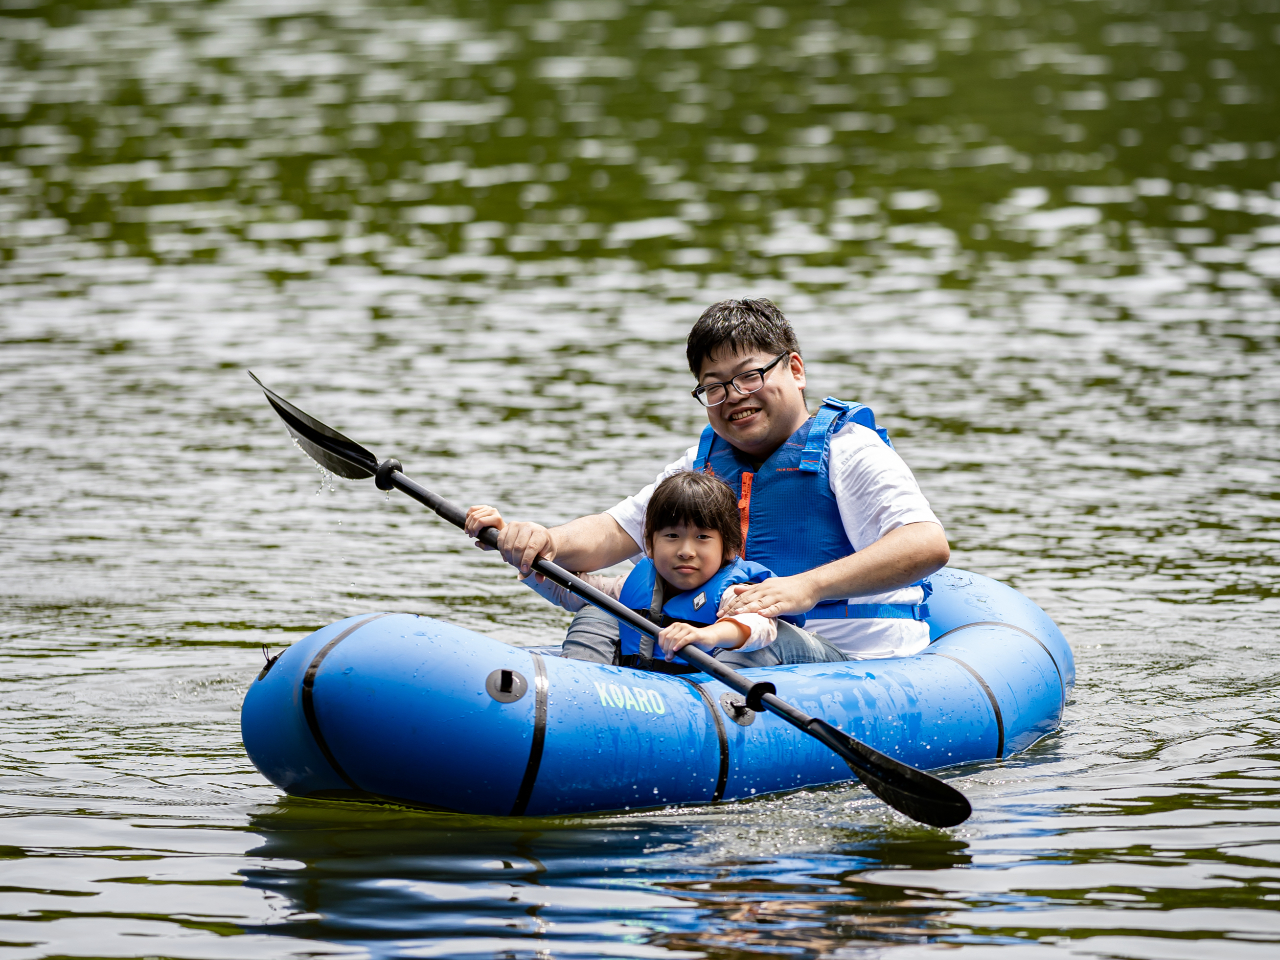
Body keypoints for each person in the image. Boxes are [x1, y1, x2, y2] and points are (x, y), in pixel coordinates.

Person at [469, 298, 950, 661]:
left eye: (749, 376)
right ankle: (579, 709)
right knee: (605, 610)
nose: (734, 396)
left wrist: (805, 587)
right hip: (715, 643)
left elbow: (926, 545)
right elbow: (617, 531)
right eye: (714, 386)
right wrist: (543, 539)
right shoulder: (698, 467)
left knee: (759, 640)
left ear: (796, 369)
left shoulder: (851, 451)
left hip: (851, 662)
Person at [465, 471, 844, 671]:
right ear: (649, 543)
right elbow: (571, 590)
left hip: (733, 686)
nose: (685, 551)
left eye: (702, 538)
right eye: (672, 536)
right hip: (650, 689)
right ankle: (580, 686)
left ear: (728, 548)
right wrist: (513, 548)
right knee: (598, 610)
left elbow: (759, 627)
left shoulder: (734, 591)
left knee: (750, 641)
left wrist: (710, 634)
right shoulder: (637, 584)